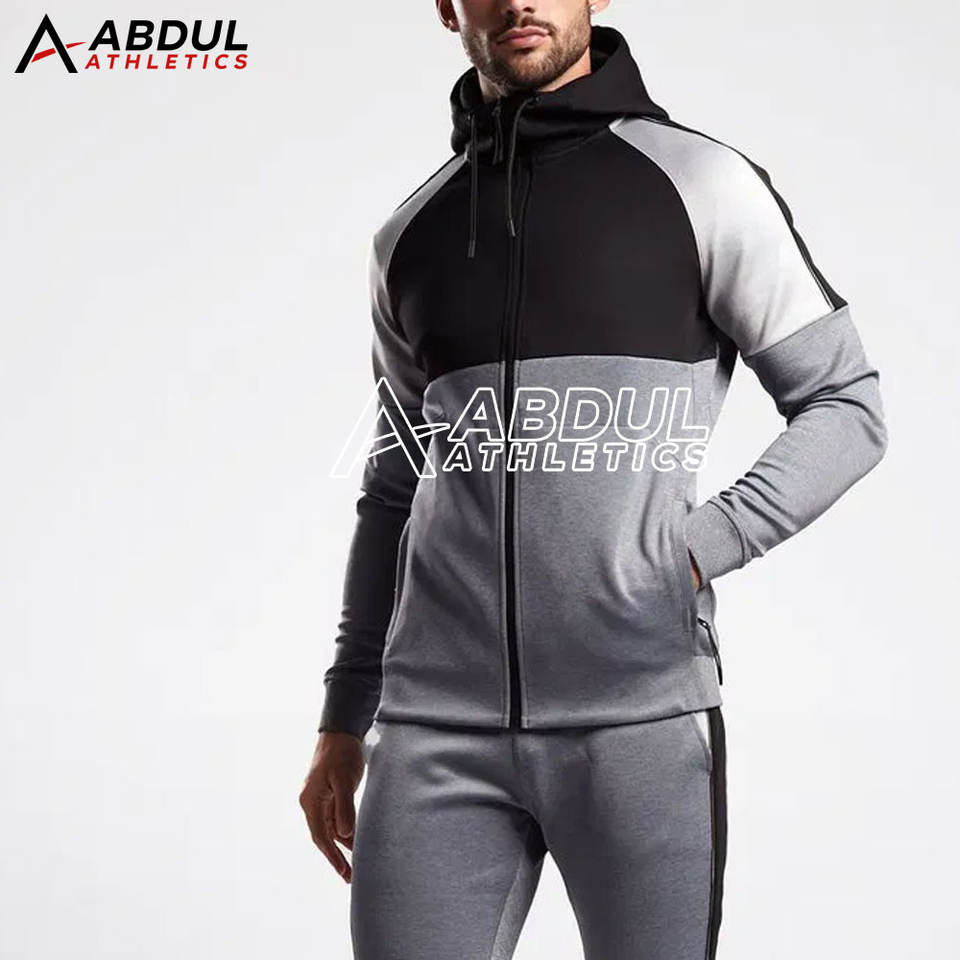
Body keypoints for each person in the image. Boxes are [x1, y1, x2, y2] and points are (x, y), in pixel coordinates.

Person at [300, 2, 888, 957]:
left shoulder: (701, 184)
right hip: (431, 729)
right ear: (447, 7)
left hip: (639, 720)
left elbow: (844, 404)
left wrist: (691, 552)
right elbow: (395, 490)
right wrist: (342, 716)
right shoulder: (409, 235)